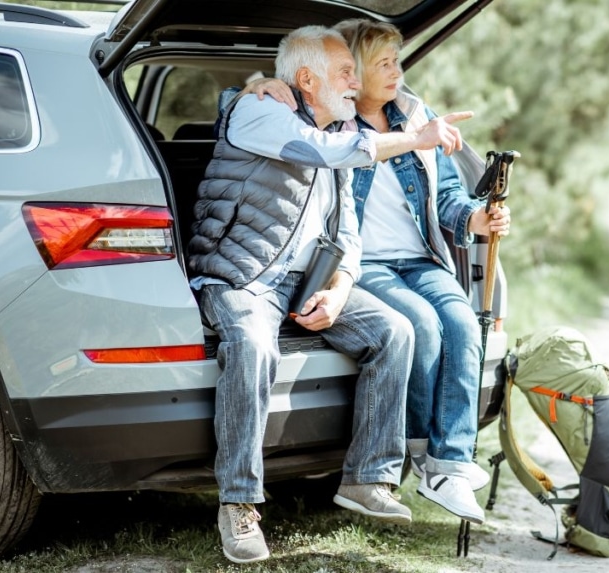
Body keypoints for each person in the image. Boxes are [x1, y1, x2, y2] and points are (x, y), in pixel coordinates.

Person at [189, 25, 472, 564]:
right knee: (253, 346)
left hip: (307, 280)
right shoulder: (260, 115)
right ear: (304, 79)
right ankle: (239, 503)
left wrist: (341, 286)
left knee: (394, 331)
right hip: (243, 275)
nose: (355, 81)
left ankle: (368, 478)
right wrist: (416, 137)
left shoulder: (338, 126)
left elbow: (347, 233)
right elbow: (326, 151)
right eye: (345, 72)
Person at [246, 19, 511, 525]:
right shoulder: (329, 119)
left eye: (398, 61)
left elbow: (449, 196)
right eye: (382, 63)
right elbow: (244, 114)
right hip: (363, 263)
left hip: (420, 257)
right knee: (424, 328)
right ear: (355, 72)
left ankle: (451, 464)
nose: (396, 72)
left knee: (463, 323)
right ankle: (419, 448)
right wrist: (256, 84)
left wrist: (476, 218)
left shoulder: (416, 115)